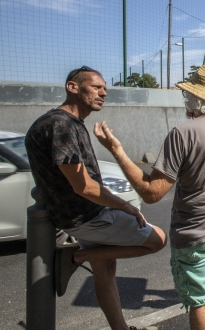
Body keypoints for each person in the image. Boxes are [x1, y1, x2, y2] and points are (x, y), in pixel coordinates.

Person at [93, 65, 205, 330]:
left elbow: (152, 193)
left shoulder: (183, 134)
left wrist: (117, 151)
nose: (186, 103)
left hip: (193, 233)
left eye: (188, 97)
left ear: (196, 99)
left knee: (201, 299)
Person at [25, 66, 166, 330]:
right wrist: (125, 205)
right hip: (87, 215)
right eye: (95, 87)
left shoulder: (69, 123)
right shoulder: (61, 125)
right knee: (158, 240)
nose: (103, 93)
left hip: (79, 215)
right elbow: (84, 187)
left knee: (105, 271)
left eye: (105, 89)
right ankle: (76, 257)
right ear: (72, 87)